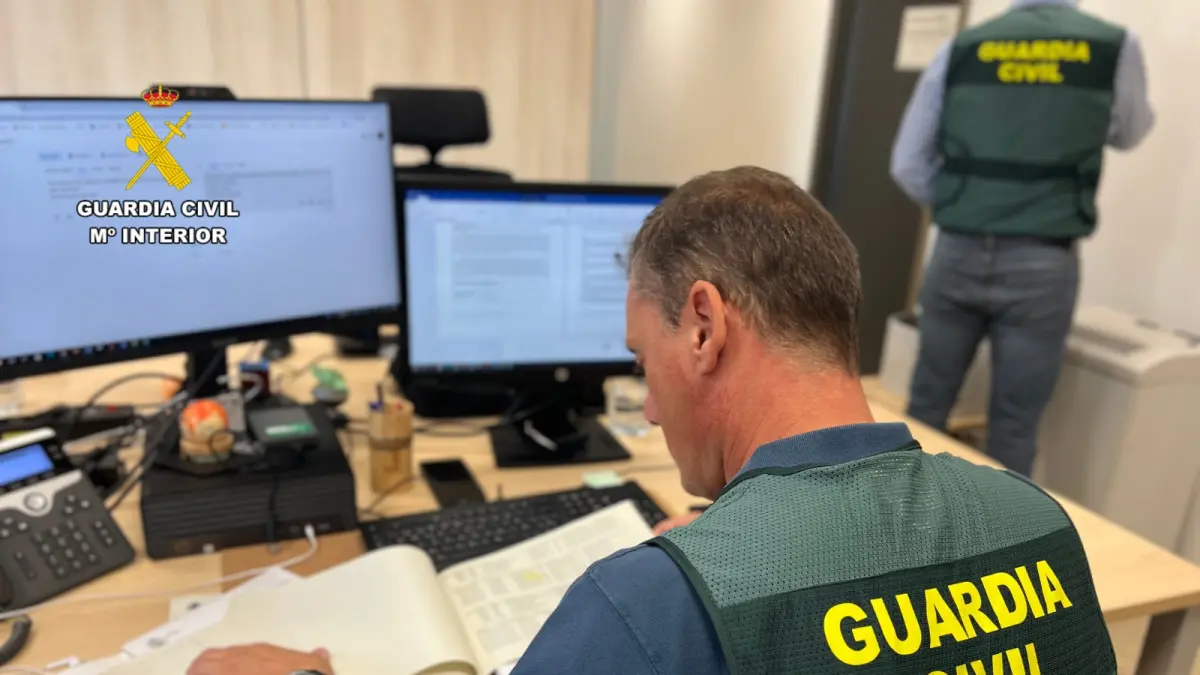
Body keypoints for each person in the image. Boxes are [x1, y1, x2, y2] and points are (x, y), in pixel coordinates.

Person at [187, 167, 1117, 675]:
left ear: (704, 326)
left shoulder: (654, 604)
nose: (650, 401)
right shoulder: (1036, 520)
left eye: (642, 360)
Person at [890, 0, 1155, 476]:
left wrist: (964, 206)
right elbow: (1130, 131)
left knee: (926, 406)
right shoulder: (1113, 46)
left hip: (958, 248)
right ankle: (1007, 524)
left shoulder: (964, 46)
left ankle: (900, 513)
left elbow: (907, 163)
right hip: (1043, 259)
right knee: (1014, 426)